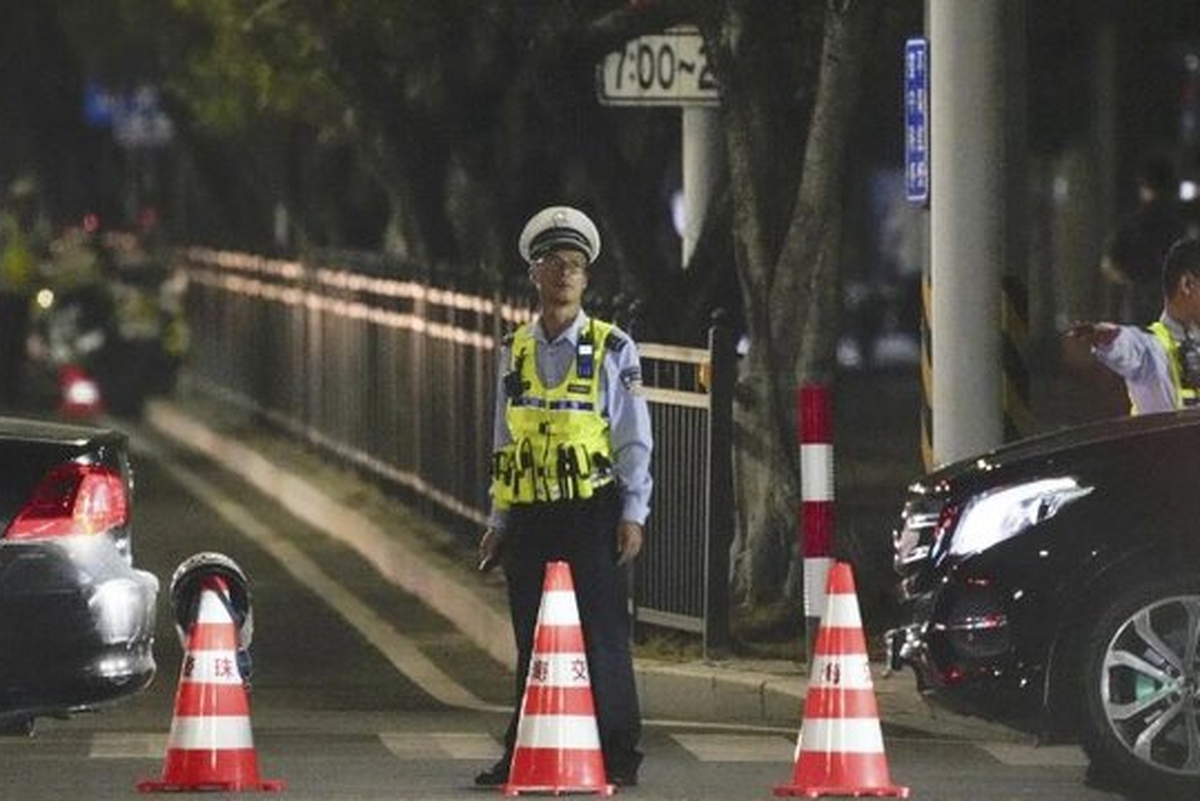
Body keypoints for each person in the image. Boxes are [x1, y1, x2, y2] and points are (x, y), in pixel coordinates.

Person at [474, 205, 653, 788]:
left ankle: (618, 751)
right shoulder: (515, 348)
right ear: (535, 274)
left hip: (590, 509)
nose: (566, 273)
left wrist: (633, 512)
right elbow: (505, 437)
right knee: (531, 636)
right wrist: (499, 519)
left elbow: (632, 439)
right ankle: (524, 748)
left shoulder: (612, 347)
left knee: (602, 632)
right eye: (555, 263)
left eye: (575, 265)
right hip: (529, 512)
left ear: (587, 278)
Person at [1069, 237, 1200, 414]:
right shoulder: (1152, 349)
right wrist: (1107, 337)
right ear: (1187, 285)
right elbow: (1127, 344)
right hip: (1166, 441)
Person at [1100, 154, 1188, 324]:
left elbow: (1110, 265)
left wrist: (1134, 276)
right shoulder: (1180, 225)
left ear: (1144, 187)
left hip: (1139, 308)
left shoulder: (1132, 224)